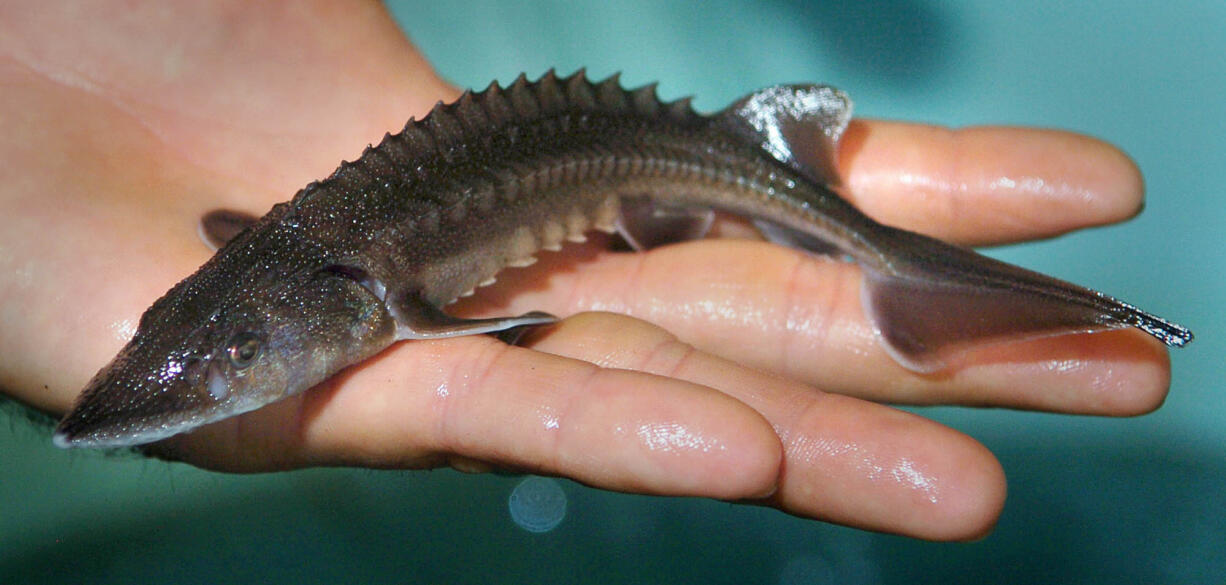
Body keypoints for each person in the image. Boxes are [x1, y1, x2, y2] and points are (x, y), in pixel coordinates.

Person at [0, 2, 1171, 541]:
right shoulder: (280, 264)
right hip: (644, 169)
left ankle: (924, 281)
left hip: (690, 157)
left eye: (236, 362)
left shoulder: (392, 297)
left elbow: (453, 324)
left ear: (368, 305)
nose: (210, 379)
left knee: (856, 247)